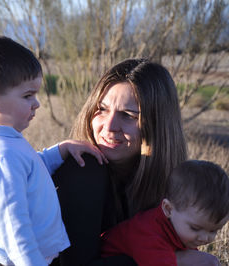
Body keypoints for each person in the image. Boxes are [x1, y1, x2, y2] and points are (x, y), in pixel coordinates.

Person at [0, 35, 107, 266]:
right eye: (27, 96)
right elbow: (14, 228)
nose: (37, 103)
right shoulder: (1, 155)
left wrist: (61, 150)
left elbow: (31, 168)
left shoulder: (8, 141)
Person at [52, 58, 221, 265]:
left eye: (128, 115)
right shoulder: (83, 171)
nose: (110, 125)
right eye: (102, 109)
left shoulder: (174, 185)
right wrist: (175, 260)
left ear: (157, 126)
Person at [101, 160, 229, 266]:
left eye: (214, 231)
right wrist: (183, 259)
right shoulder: (148, 231)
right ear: (168, 209)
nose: (205, 238)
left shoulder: (182, 231)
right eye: (195, 228)